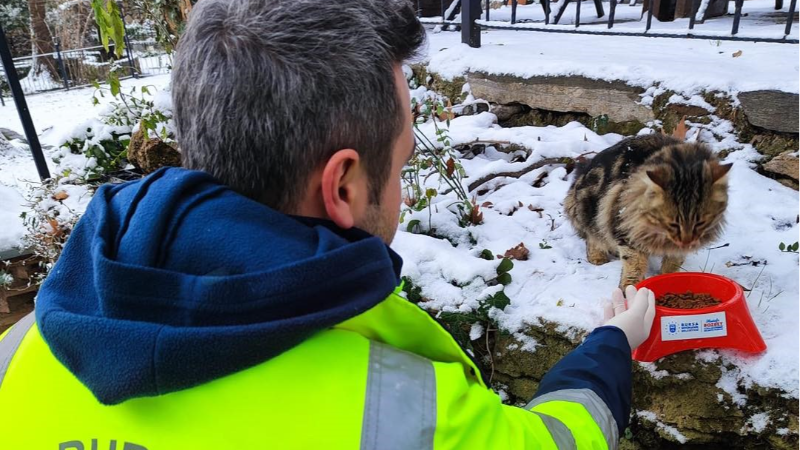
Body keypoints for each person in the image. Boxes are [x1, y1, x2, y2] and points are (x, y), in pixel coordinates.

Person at [0, 0, 656, 448]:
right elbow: (559, 439)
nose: (399, 189)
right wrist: (611, 343)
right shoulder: (405, 414)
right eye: (399, 165)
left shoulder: (25, 348)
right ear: (342, 185)